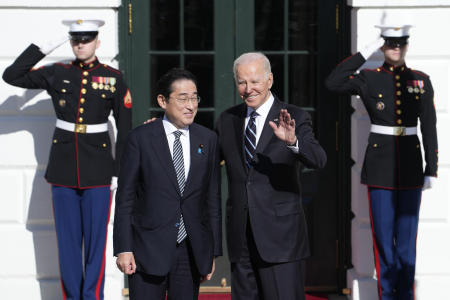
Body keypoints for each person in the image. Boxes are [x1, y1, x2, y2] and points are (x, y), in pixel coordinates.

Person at [2, 19, 132, 300]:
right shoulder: (57, 73)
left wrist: (118, 172)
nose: (80, 44)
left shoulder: (113, 77)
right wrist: (43, 48)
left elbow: (126, 128)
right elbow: (12, 75)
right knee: (68, 243)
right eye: (75, 40)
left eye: (86, 39)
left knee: (96, 244)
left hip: (99, 170)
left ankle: (92, 296)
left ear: (97, 42)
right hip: (62, 169)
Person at [326, 24, 438, 300]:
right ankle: (387, 295)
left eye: (399, 44)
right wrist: (366, 51)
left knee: (407, 243)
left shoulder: (421, 80)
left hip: (411, 166)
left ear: (407, 46)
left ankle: (405, 296)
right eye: (389, 43)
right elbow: (334, 82)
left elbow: (430, 127)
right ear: (383, 46)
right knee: (384, 240)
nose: (395, 48)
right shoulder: (368, 78)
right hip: (379, 167)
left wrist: (431, 168)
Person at [216, 52, 327, 300]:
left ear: (270, 80)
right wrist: (163, 132)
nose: (248, 89)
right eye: (242, 82)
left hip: (282, 239)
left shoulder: (294, 116)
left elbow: (318, 159)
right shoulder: (227, 120)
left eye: (255, 81)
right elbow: (206, 160)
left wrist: (294, 142)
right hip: (240, 239)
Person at [113, 68, 222, 300]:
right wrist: (124, 248)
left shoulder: (208, 139)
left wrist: (211, 251)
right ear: (163, 101)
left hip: (190, 249)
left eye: (194, 98)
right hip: (147, 249)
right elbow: (125, 198)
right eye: (183, 98)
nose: (191, 105)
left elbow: (212, 198)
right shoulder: (140, 138)